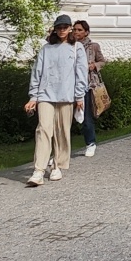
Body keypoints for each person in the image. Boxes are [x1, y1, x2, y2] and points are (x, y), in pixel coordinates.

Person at [25, 14, 88, 186]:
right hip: (46, 94)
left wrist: (79, 96)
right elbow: (37, 72)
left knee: (61, 131)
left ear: (69, 28)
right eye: (59, 27)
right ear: (55, 29)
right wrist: (33, 96)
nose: (62, 30)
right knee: (43, 129)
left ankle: (57, 166)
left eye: (65, 27)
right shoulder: (46, 49)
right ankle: (38, 170)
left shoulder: (77, 48)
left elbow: (81, 73)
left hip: (66, 96)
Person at [73, 20, 106, 156]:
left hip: (87, 85)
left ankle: (90, 143)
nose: (76, 32)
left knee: (86, 117)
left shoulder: (93, 47)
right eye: (74, 30)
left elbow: (102, 61)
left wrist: (94, 66)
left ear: (86, 32)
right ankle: (60, 151)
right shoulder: (69, 45)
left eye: (80, 30)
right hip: (69, 85)